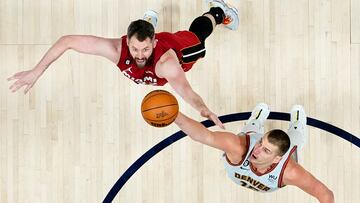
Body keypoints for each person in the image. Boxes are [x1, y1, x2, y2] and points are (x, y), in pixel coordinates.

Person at [7, 0, 239, 129]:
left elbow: (186, 90)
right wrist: (36, 72)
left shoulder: (166, 63)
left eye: (145, 48)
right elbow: (67, 41)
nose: (139, 55)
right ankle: (146, 23)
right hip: (149, 39)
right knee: (141, 40)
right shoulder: (117, 50)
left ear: (154, 42)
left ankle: (217, 12)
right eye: (135, 48)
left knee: (197, 36)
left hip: (180, 50)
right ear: (127, 41)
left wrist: (202, 108)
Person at [174, 103, 334, 203]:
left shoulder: (290, 171)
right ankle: (256, 119)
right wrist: (174, 115)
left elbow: (325, 194)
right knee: (251, 130)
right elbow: (203, 135)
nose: (256, 150)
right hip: (241, 168)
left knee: (295, 139)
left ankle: (297, 125)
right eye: (260, 144)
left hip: (268, 178)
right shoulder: (240, 148)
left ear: (277, 159)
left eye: (266, 150)